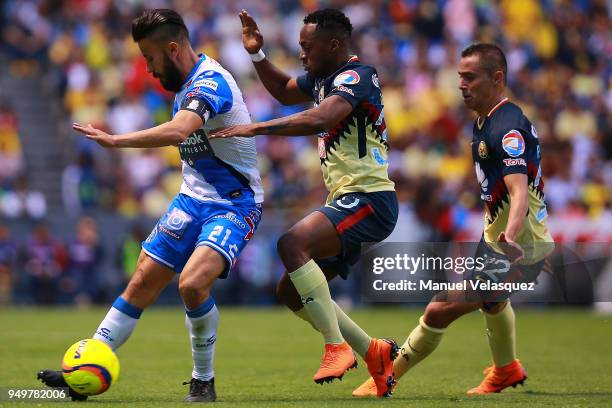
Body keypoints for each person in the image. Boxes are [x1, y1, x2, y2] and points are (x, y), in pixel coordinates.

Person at [37, 8, 263, 402]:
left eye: (150, 58)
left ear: (173, 49)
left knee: (191, 284)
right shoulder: (184, 82)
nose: (148, 69)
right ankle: (88, 362)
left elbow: (179, 131)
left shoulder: (211, 83)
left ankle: (202, 379)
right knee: (142, 279)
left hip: (234, 204)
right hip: (192, 199)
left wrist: (116, 140)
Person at [210, 9, 398, 397]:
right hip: (348, 199)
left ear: (334, 44)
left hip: (370, 199)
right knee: (291, 293)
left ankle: (336, 346)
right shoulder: (322, 78)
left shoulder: (356, 77)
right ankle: (373, 352)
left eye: (307, 46)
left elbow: (320, 119)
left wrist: (257, 127)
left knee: (291, 243)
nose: (301, 53)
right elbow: (282, 91)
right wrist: (257, 55)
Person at [352, 43, 555, 397]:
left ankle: (386, 378)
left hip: (512, 245)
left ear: (497, 78)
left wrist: (513, 240)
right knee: (492, 302)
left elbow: (519, 189)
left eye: (470, 77)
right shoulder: (488, 121)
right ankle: (506, 370)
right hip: (502, 239)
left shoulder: (505, 127)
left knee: (438, 308)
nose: (461, 84)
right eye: (460, 76)